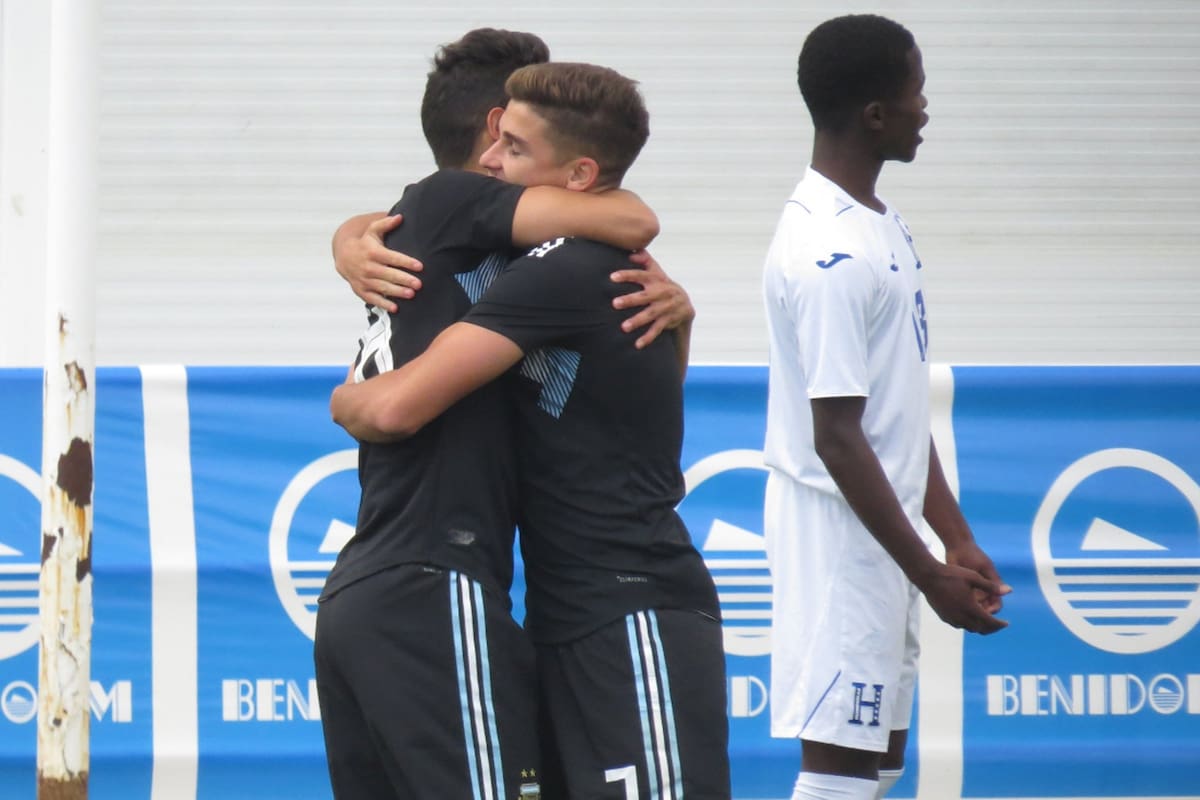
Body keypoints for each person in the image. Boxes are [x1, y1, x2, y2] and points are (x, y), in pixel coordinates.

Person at [331, 62, 731, 800]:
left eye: (513, 147)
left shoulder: (569, 266)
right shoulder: (541, 255)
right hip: (570, 615)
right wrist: (349, 237)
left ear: (577, 175)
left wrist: (343, 400)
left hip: (632, 605)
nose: (491, 158)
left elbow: (392, 408)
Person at [761, 14, 1012, 800]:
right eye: (917, 92)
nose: (926, 108)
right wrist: (928, 572)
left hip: (886, 535)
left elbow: (894, 407)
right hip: (841, 541)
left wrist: (955, 538)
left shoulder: (882, 225)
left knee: (878, 762)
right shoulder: (826, 254)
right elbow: (836, 438)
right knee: (838, 770)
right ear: (875, 114)